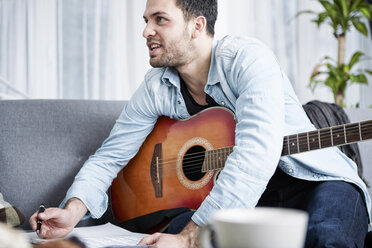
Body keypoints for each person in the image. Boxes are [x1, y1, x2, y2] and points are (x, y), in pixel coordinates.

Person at [30, 0, 371, 247]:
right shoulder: (156, 85)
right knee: (162, 238)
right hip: (255, 198)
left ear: (197, 27)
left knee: (328, 236)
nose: (146, 30)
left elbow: (254, 155)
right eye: (146, 19)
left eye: (160, 19)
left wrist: (192, 235)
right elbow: (111, 155)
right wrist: (73, 211)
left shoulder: (248, 60)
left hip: (318, 180)